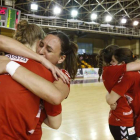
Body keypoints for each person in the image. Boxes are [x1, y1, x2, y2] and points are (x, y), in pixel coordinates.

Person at [0, 20, 78, 139]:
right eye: (41, 45)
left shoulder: (59, 75)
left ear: (61, 58)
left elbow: (55, 97)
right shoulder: (35, 63)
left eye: (49, 50)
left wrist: (9, 65)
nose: (41, 52)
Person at [97, 45, 140, 140]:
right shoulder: (127, 74)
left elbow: (111, 97)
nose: (111, 64)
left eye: (113, 61)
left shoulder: (129, 74)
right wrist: (109, 98)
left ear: (123, 63)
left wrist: (109, 98)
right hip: (123, 120)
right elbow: (111, 97)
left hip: (128, 119)